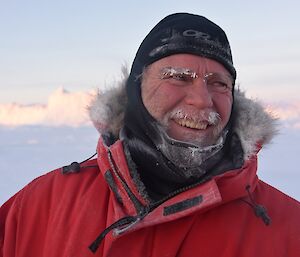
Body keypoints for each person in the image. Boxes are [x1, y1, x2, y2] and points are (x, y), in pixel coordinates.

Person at [1, 12, 300, 257]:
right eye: (178, 78)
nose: (203, 100)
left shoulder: (288, 229)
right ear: (136, 88)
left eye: (219, 83)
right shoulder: (39, 208)